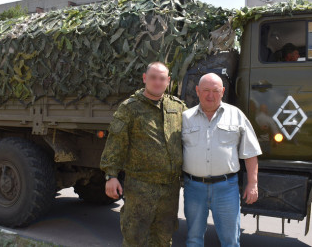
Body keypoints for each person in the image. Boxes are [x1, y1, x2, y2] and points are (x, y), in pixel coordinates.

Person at [100, 61, 187, 246]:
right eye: (153, 78)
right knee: (135, 237)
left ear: (168, 81)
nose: (157, 82)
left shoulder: (177, 107)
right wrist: (111, 175)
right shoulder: (130, 108)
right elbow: (116, 142)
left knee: (164, 236)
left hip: (169, 188)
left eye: (162, 78)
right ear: (145, 78)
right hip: (141, 187)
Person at [182, 73, 261, 247]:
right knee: (193, 239)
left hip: (226, 189)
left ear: (223, 91)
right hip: (194, 188)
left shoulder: (236, 115)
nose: (210, 95)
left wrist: (253, 184)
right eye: (206, 90)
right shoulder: (185, 118)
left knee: (230, 241)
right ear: (197, 91)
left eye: (215, 90)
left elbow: (250, 152)